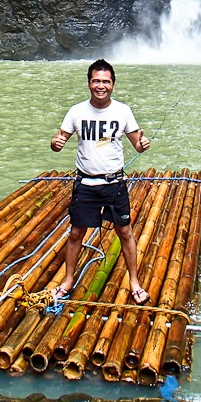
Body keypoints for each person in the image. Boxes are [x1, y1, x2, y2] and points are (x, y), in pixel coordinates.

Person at [50, 58, 151, 304]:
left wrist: (143, 145)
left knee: (125, 232)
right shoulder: (76, 111)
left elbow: (137, 144)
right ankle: (68, 280)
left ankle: (134, 283)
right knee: (76, 233)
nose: (101, 85)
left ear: (113, 85)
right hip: (85, 184)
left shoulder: (123, 111)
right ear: (89, 84)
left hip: (114, 184)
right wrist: (56, 144)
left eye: (106, 81)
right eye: (96, 81)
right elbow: (57, 141)